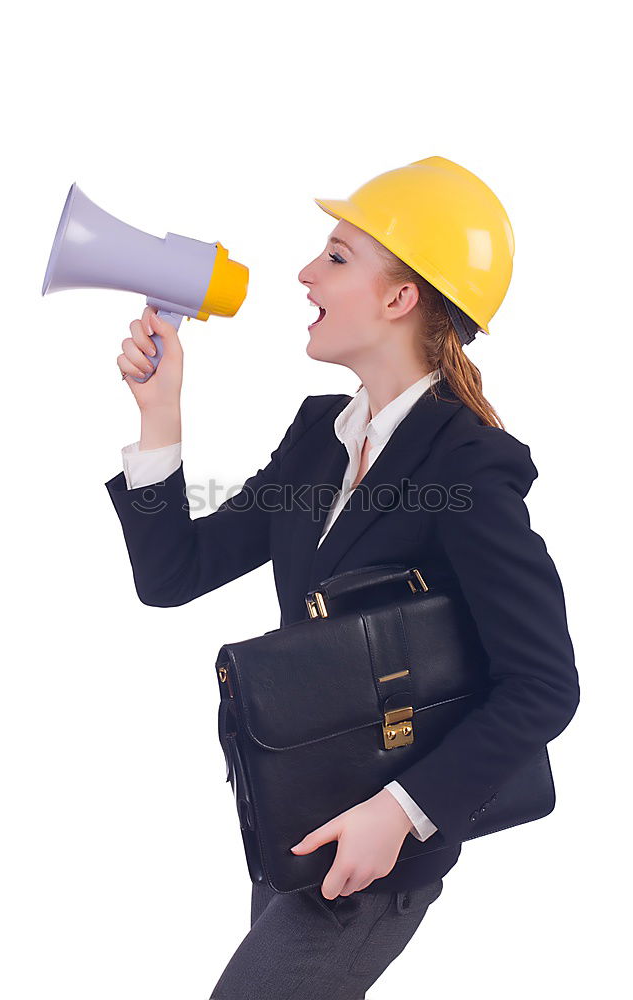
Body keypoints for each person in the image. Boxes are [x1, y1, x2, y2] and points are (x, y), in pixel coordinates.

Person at [106, 156, 580, 999]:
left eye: (334, 256)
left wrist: (399, 813)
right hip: (294, 816)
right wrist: (160, 414)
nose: (302, 273)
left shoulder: (468, 463)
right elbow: (175, 573)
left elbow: (544, 685)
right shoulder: (321, 435)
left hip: (379, 844)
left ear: (401, 299)